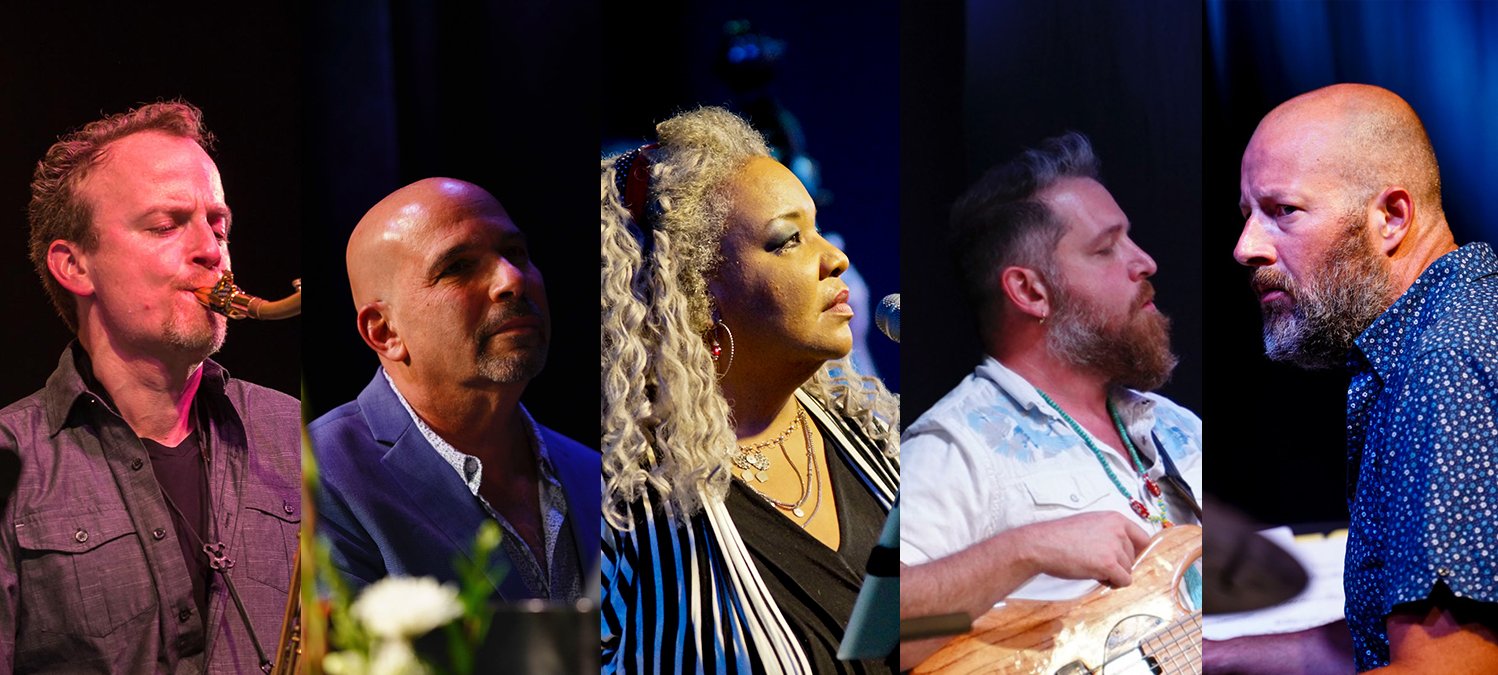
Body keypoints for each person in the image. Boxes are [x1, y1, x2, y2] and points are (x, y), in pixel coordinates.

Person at [0, 101, 300, 673]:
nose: (212, 251)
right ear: (75, 266)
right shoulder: (11, 459)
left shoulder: (298, 433)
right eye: (166, 225)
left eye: (219, 225)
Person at [1208, 83, 1498, 674]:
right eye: (1247, 215)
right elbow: (1381, 643)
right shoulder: (1441, 327)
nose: (1244, 248)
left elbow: (1445, 670)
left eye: (1283, 211)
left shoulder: (1445, 364)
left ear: (1391, 217)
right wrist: (1208, 658)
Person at [600, 107, 900, 673]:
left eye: (817, 229)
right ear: (696, 291)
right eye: (788, 240)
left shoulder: (873, 440)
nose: (835, 258)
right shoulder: (625, 501)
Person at [898, 132, 1204, 670]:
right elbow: (877, 637)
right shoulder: (955, 447)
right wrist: (1025, 550)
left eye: (1130, 239)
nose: (1145, 262)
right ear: (1031, 292)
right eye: (1106, 249)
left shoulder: (1179, 427)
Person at [310, 178, 599, 604]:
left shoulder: (593, 471)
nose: (512, 280)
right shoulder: (319, 476)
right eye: (458, 267)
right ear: (385, 332)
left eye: (516, 252)